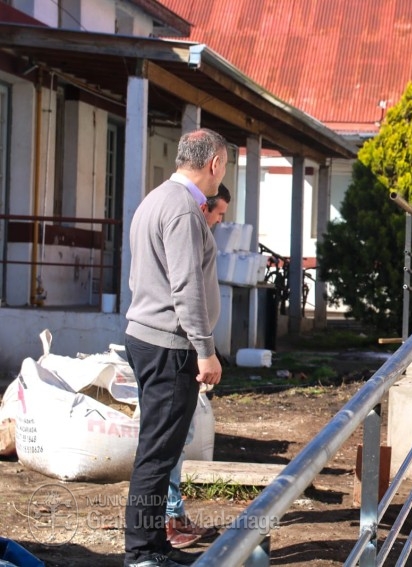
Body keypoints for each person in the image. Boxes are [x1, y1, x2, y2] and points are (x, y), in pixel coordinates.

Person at [124, 128, 226, 567]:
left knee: (158, 449)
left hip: (148, 336)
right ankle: (144, 553)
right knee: (158, 452)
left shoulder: (156, 199)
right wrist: (205, 349)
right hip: (170, 344)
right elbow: (185, 288)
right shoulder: (184, 210)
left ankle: (154, 547)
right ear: (214, 164)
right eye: (225, 165)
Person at [163, 182, 232, 550]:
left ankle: (171, 514)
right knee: (172, 437)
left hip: (183, 346)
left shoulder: (189, 228)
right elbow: (187, 293)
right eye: (219, 213)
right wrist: (204, 350)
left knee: (178, 436)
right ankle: (166, 518)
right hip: (179, 347)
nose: (221, 221)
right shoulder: (185, 226)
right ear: (205, 207)